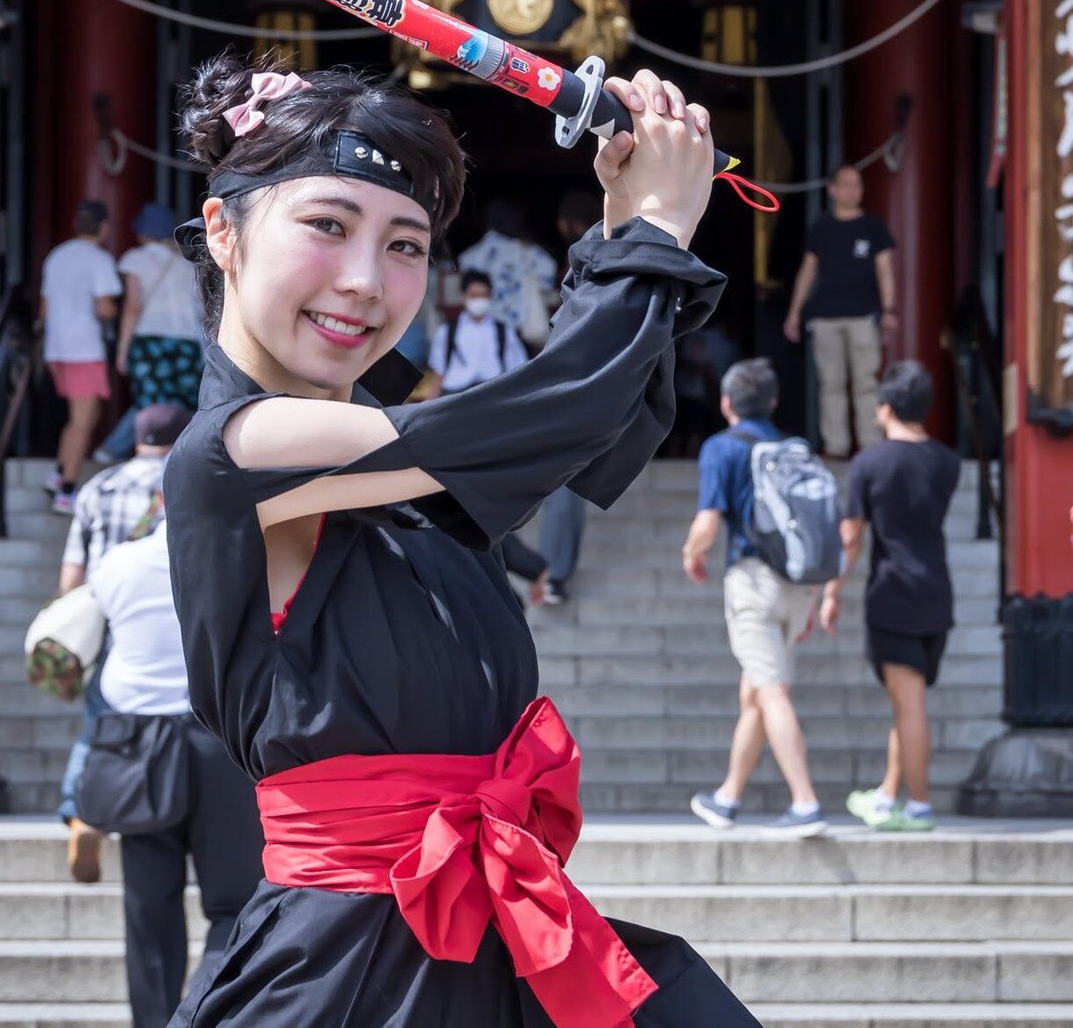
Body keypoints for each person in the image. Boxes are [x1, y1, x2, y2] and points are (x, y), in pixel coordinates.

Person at [162, 55, 756, 1026]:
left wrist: (620, 224)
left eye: (405, 245)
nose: (364, 280)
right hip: (348, 978)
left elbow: (595, 433)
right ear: (223, 230)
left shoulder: (403, 482)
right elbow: (550, 418)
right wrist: (653, 229)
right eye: (326, 225)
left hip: (489, 941)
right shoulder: (232, 454)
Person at [87, 520, 264, 1028]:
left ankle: (155, 1021)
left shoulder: (117, 563)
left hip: (137, 747)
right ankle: (202, 1015)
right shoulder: (235, 555)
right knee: (235, 905)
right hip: (218, 742)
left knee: (149, 913)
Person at [682, 358, 829, 837]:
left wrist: (692, 553)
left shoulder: (722, 448)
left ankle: (805, 803)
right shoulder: (794, 451)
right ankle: (728, 797)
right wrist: (817, 593)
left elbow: (708, 522)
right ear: (774, 402)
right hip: (796, 582)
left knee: (771, 691)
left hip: (753, 583)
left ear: (726, 403)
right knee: (756, 692)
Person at [820, 361, 960, 832]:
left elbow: (851, 538)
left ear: (884, 408)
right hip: (937, 592)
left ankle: (918, 805)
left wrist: (832, 592)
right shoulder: (947, 461)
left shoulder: (870, 463)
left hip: (893, 594)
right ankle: (886, 794)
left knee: (911, 703)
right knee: (909, 700)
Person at [56, 403, 192, 885]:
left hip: (113, 624)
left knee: (98, 729)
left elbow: (72, 574)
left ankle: (82, 810)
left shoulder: (98, 487)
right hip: (168, 631)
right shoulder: (182, 483)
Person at [783, 165, 896, 458]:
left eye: (857, 185)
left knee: (866, 383)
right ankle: (836, 446)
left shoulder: (873, 227)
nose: (853, 190)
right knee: (830, 384)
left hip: (864, 315)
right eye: (846, 184)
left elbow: (885, 271)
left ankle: (871, 446)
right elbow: (807, 272)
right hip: (825, 315)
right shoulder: (821, 227)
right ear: (832, 189)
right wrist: (795, 312)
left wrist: (889, 309)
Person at [535, 192, 601, 604]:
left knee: (563, 478)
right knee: (566, 479)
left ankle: (554, 573)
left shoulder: (583, 260)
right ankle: (554, 573)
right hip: (579, 384)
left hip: (569, 382)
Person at [40, 199, 123, 513]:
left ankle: (58, 473)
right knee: (83, 422)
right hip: (83, 347)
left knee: (77, 419)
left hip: (56, 348)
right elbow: (104, 307)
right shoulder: (98, 259)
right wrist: (117, 310)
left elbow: (45, 309)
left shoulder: (56, 256)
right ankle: (67, 491)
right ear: (104, 228)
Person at [116, 200, 205, 409]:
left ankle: (135, 443)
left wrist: (122, 350)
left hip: (150, 340)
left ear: (142, 232)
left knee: (151, 411)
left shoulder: (135, 259)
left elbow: (132, 307)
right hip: (188, 341)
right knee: (184, 412)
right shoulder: (189, 264)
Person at [458, 195, 557, 348]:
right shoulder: (528, 251)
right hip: (522, 326)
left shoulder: (474, 254)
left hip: (487, 325)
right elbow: (548, 275)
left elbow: (463, 280)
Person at [426, 269, 527, 395]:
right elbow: (438, 375)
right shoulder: (446, 332)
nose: (479, 300)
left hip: (493, 394)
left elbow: (517, 371)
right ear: (463, 296)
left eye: (483, 295)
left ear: (490, 296)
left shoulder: (504, 332)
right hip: (455, 396)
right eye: (474, 295)